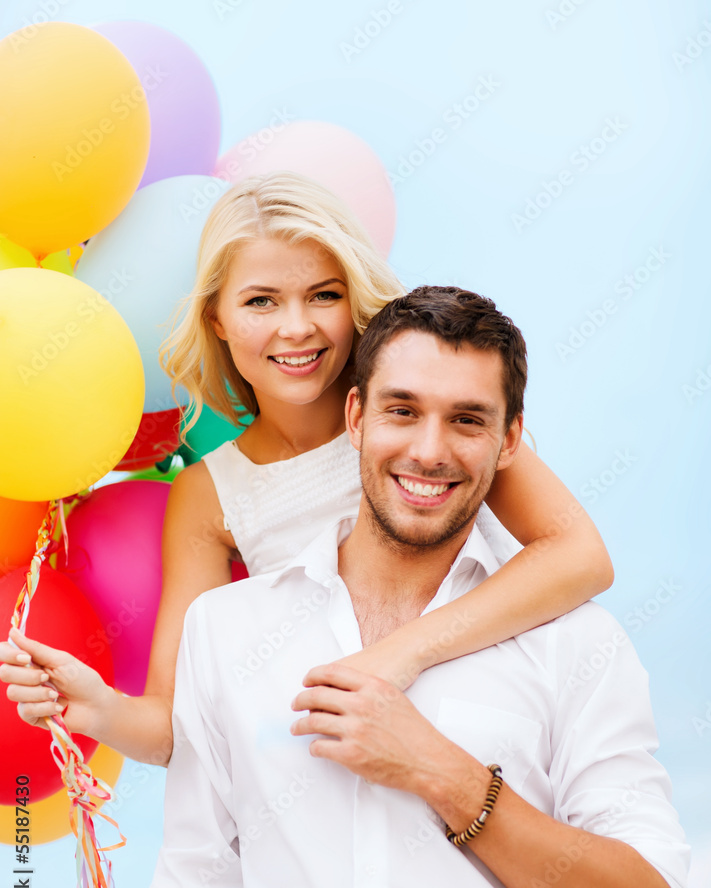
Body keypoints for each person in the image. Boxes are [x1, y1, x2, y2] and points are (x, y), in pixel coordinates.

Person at [138, 286, 691, 888]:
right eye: (402, 411)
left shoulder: (577, 646)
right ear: (356, 416)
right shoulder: (227, 631)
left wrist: (443, 773)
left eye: (467, 420)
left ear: (510, 439)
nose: (429, 452)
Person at [0, 173, 613, 768]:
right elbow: (177, 728)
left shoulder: (418, 407)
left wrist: (403, 654)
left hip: (503, 733)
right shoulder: (211, 493)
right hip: (347, 771)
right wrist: (101, 709)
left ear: (354, 299)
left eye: (324, 294)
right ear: (217, 317)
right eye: (261, 301)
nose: (297, 328)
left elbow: (580, 556)